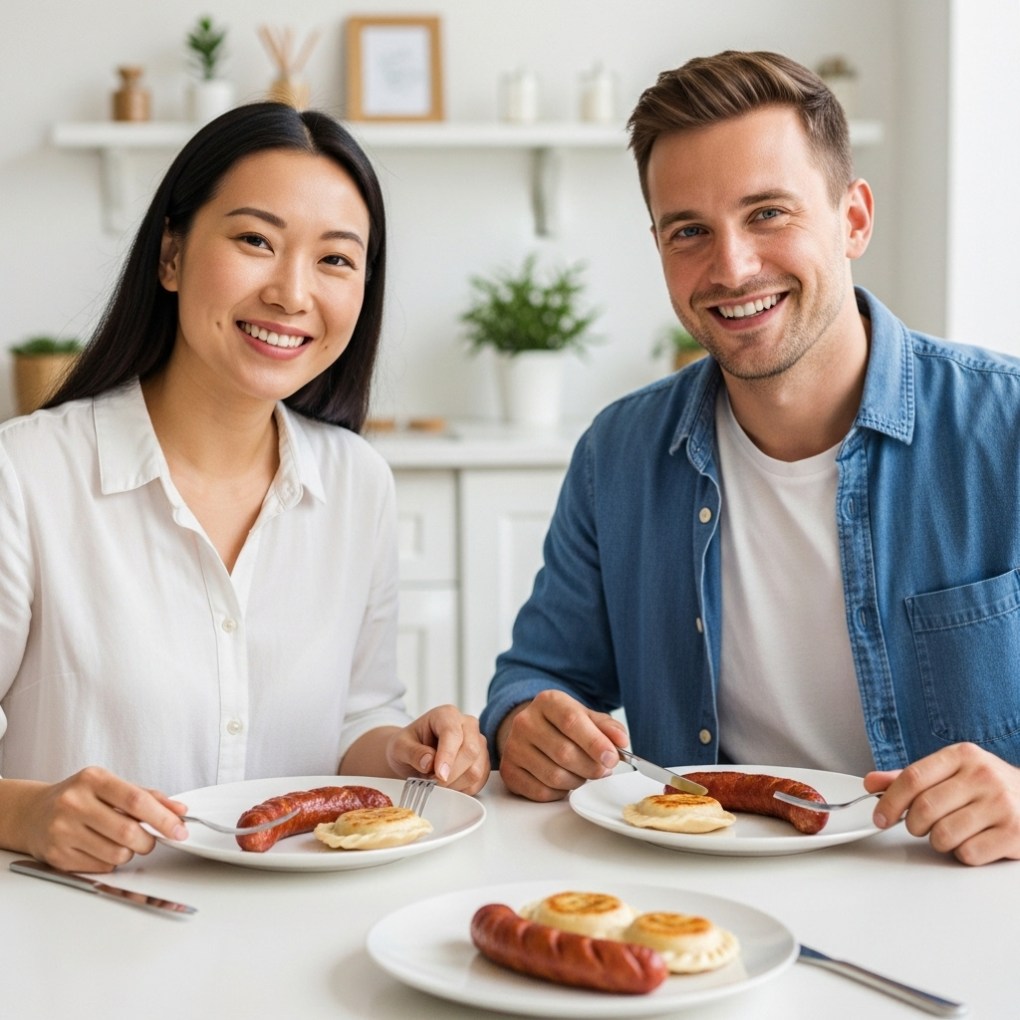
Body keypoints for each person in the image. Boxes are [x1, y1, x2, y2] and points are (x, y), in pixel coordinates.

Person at [480, 51, 1020, 866]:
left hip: (962, 911)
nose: (731, 268)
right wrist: (525, 725)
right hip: (706, 911)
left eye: (768, 213)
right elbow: (534, 679)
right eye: (689, 231)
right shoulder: (616, 456)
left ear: (854, 220)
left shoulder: (1004, 427)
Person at [0, 102, 489, 874]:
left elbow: (355, 719)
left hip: (297, 940)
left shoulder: (358, 483)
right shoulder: (26, 477)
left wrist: (402, 751)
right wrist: (27, 814)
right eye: (256, 241)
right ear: (170, 256)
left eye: (335, 259)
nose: (292, 294)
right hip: (82, 938)